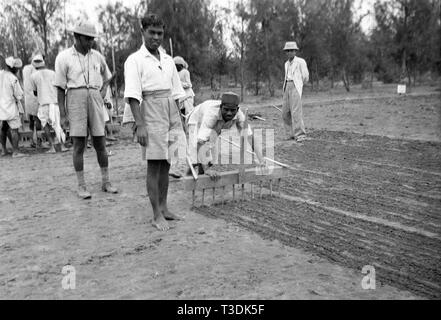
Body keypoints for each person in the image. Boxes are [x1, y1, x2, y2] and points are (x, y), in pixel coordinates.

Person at [124, 14, 186, 231]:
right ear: (143, 32)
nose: (156, 37)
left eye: (160, 33)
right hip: (150, 109)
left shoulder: (169, 61)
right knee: (154, 164)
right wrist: (140, 124)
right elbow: (132, 95)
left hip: (170, 110)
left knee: (167, 163)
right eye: (152, 32)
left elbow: (177, 93)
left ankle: (164, 207)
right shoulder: (135, 60)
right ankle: (155, 214)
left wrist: (180, 123)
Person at [54, 21, 118, 199]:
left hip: (95, 97)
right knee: (79, 145)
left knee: (100, 142)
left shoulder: (97, 56)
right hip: (75, 97)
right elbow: (60, 87)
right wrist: (63, 113)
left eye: (92, 39)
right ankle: (81, 185)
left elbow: (108, 76)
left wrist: (103, 90)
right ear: (77, 37)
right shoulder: (64, 57)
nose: (90, 42)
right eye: (87, 39)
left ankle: (106, 181)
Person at [186, 92, 266, 179]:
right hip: (197, 119)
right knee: (195, 157)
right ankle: (190, 177)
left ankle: (202, 175)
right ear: (221, 107)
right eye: (226, 109)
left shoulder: (239, 115)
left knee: (211, 159)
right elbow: (200, 142)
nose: (229, 113)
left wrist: (261, 160)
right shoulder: (211, 114)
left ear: (237, 109)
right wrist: (207, 170)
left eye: (232, 110)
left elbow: (250, 137)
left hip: (216, 124)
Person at [30, 54, 68, 153]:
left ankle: (52, 146)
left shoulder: (33, 76)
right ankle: (62, 145)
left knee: (45, 124)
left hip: (43, 103)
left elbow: (35, 92)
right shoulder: (53, 73)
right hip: (54, 102)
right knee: (58, 124)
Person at [282, 41, 309, 142]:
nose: (289, 52)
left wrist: (299, 85)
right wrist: (286, 87)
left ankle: (300, 135)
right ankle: (290, 134)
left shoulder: (300, 62)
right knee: (285, 112)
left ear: (295, 51)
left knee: (296, 112)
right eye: (287, 51)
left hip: (295, 86)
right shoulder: (286, 64)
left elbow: (305, 76)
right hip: (287, 86)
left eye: (291, 50)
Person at [0, 56, 26, 158]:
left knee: (3, 129)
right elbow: (19, 94)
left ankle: (3, 150)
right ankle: (15, 151)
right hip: (10, 106)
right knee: (14, 129)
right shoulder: (13, 78)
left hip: (1, 107)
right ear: (14, 68)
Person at [23, 53, 42, 148]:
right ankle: (36, 140)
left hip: (29, 97)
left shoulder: (25, 69)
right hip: (35, 97)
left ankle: (33, 140)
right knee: (37, 120)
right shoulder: (36, 71)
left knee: (32, 120)